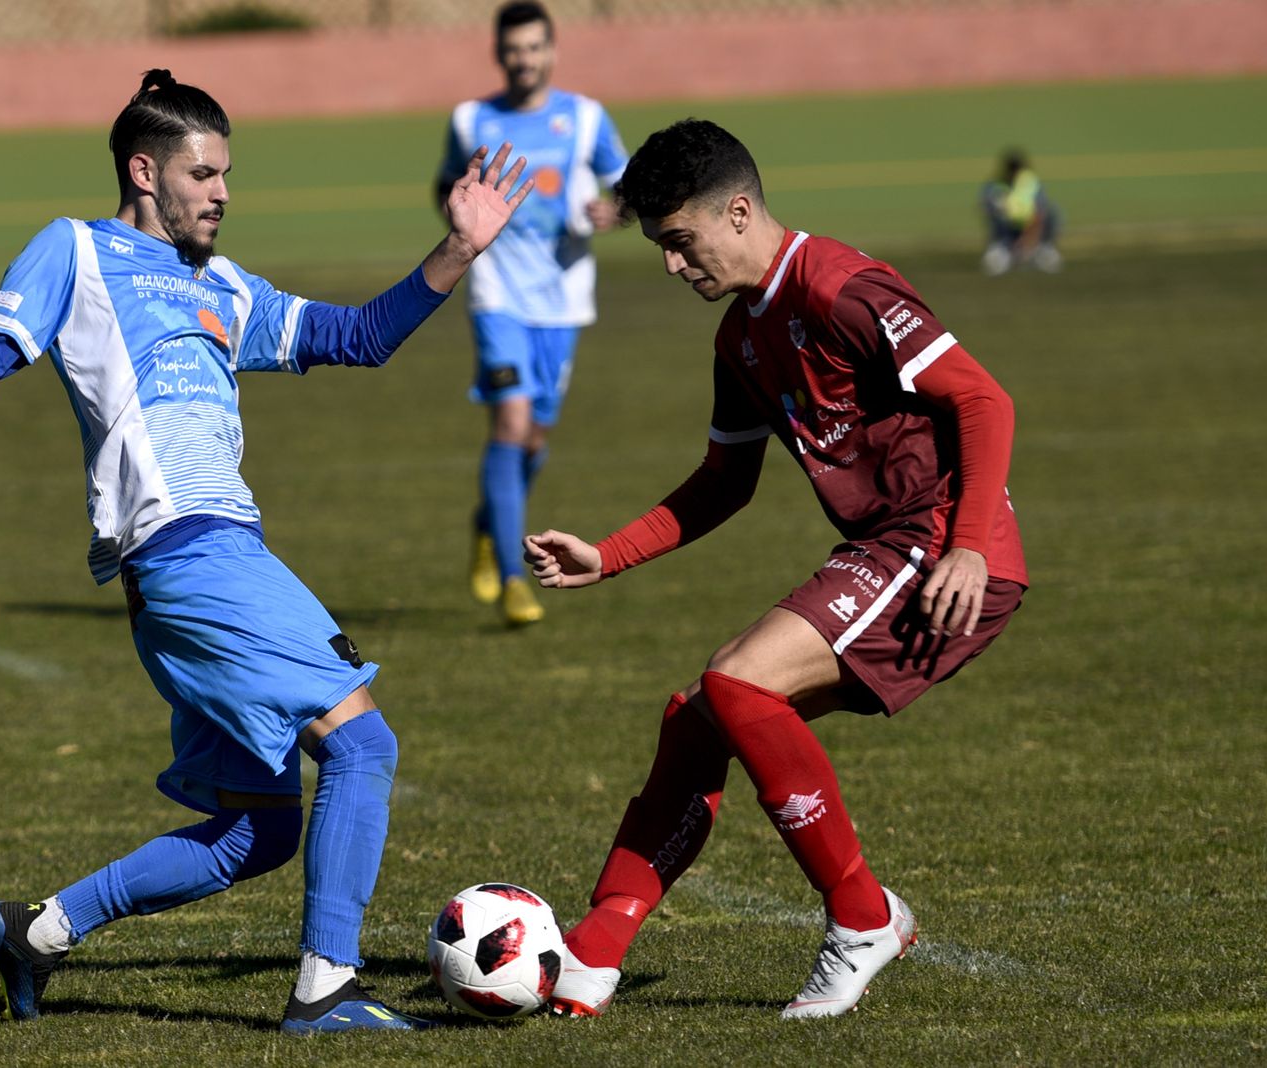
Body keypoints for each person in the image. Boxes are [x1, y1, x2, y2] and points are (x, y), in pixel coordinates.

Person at [0, 70, 531, 1033]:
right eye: (203, 173)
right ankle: (325, 989)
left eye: (226, 175)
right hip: (188, 550)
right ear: (144, 171)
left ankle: (36, 930)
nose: (221, 192)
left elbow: (359, 338)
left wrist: (458, 248)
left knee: (258, 832)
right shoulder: (76, 252)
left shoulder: (224, 284)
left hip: (200, 562)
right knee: (363, 744)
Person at [524, 119, 1028, 1019]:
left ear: (741, 210)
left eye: (680, 243)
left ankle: (863, 918)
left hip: (941, 546)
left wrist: (970, 544)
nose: (675, 267)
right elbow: (725, 482)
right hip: (888, 549)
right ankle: (596, 951)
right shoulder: (739, 340)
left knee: (738, 686)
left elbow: (983, 398)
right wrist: (608, 556)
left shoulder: (838, 285)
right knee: (701, 715)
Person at [436, 0, 629, 626]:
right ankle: (516, 580)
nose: (523, 59)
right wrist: (455, 205)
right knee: (511, 424)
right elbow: (445, 185)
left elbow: (628, 186)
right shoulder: (470, 119)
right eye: (513, 49)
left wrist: (615, 210)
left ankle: (491, 523)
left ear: (551, 50)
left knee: (536, 437)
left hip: (564, 301)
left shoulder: (585, 117)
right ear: (499, 53)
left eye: (533, 47)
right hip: (497, 295)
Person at [980, 148, 1062, 275]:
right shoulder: (995, 186)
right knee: (994, 264)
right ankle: (1004, 250)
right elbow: (988, 210)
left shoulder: (1031, 184)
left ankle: (1042, 249)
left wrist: (1028, 244)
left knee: (1054, 212)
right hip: (1007, 235)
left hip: (1031, 234)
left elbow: (1039, 215)